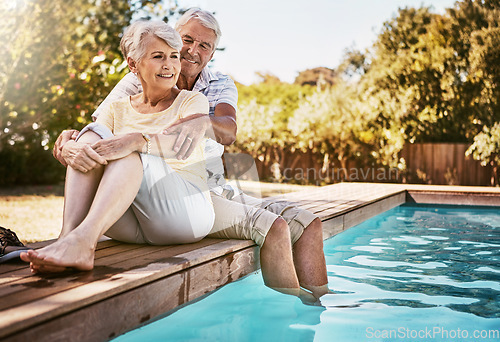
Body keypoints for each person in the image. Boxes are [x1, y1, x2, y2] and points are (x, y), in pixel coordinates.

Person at [53, 8, 329, 302]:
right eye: (187, 40)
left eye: (204, 45)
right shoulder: (137, 79)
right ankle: (69, 240)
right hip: (160, 190)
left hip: (209, 187)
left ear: (211, 53)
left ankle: (318, 303)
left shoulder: (216, 84)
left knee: (309, 223)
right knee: (271, 226)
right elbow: (100, 129)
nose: (192, 51)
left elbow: (228, 129)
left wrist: (201, 122)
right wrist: (72, 140)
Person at [21, 20, 215, 273]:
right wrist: (71, 146)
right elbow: (91, 144)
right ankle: (67, 240)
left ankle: (83, 242)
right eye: (158, 56)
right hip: (129, 223)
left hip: (185, 216)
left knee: (128, 153)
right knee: (90, 137)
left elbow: (180, 145)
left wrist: (137, 140)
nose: (169, 65)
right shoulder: (116, 108)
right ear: (133, 64)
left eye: (174, 56)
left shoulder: (191, 101)